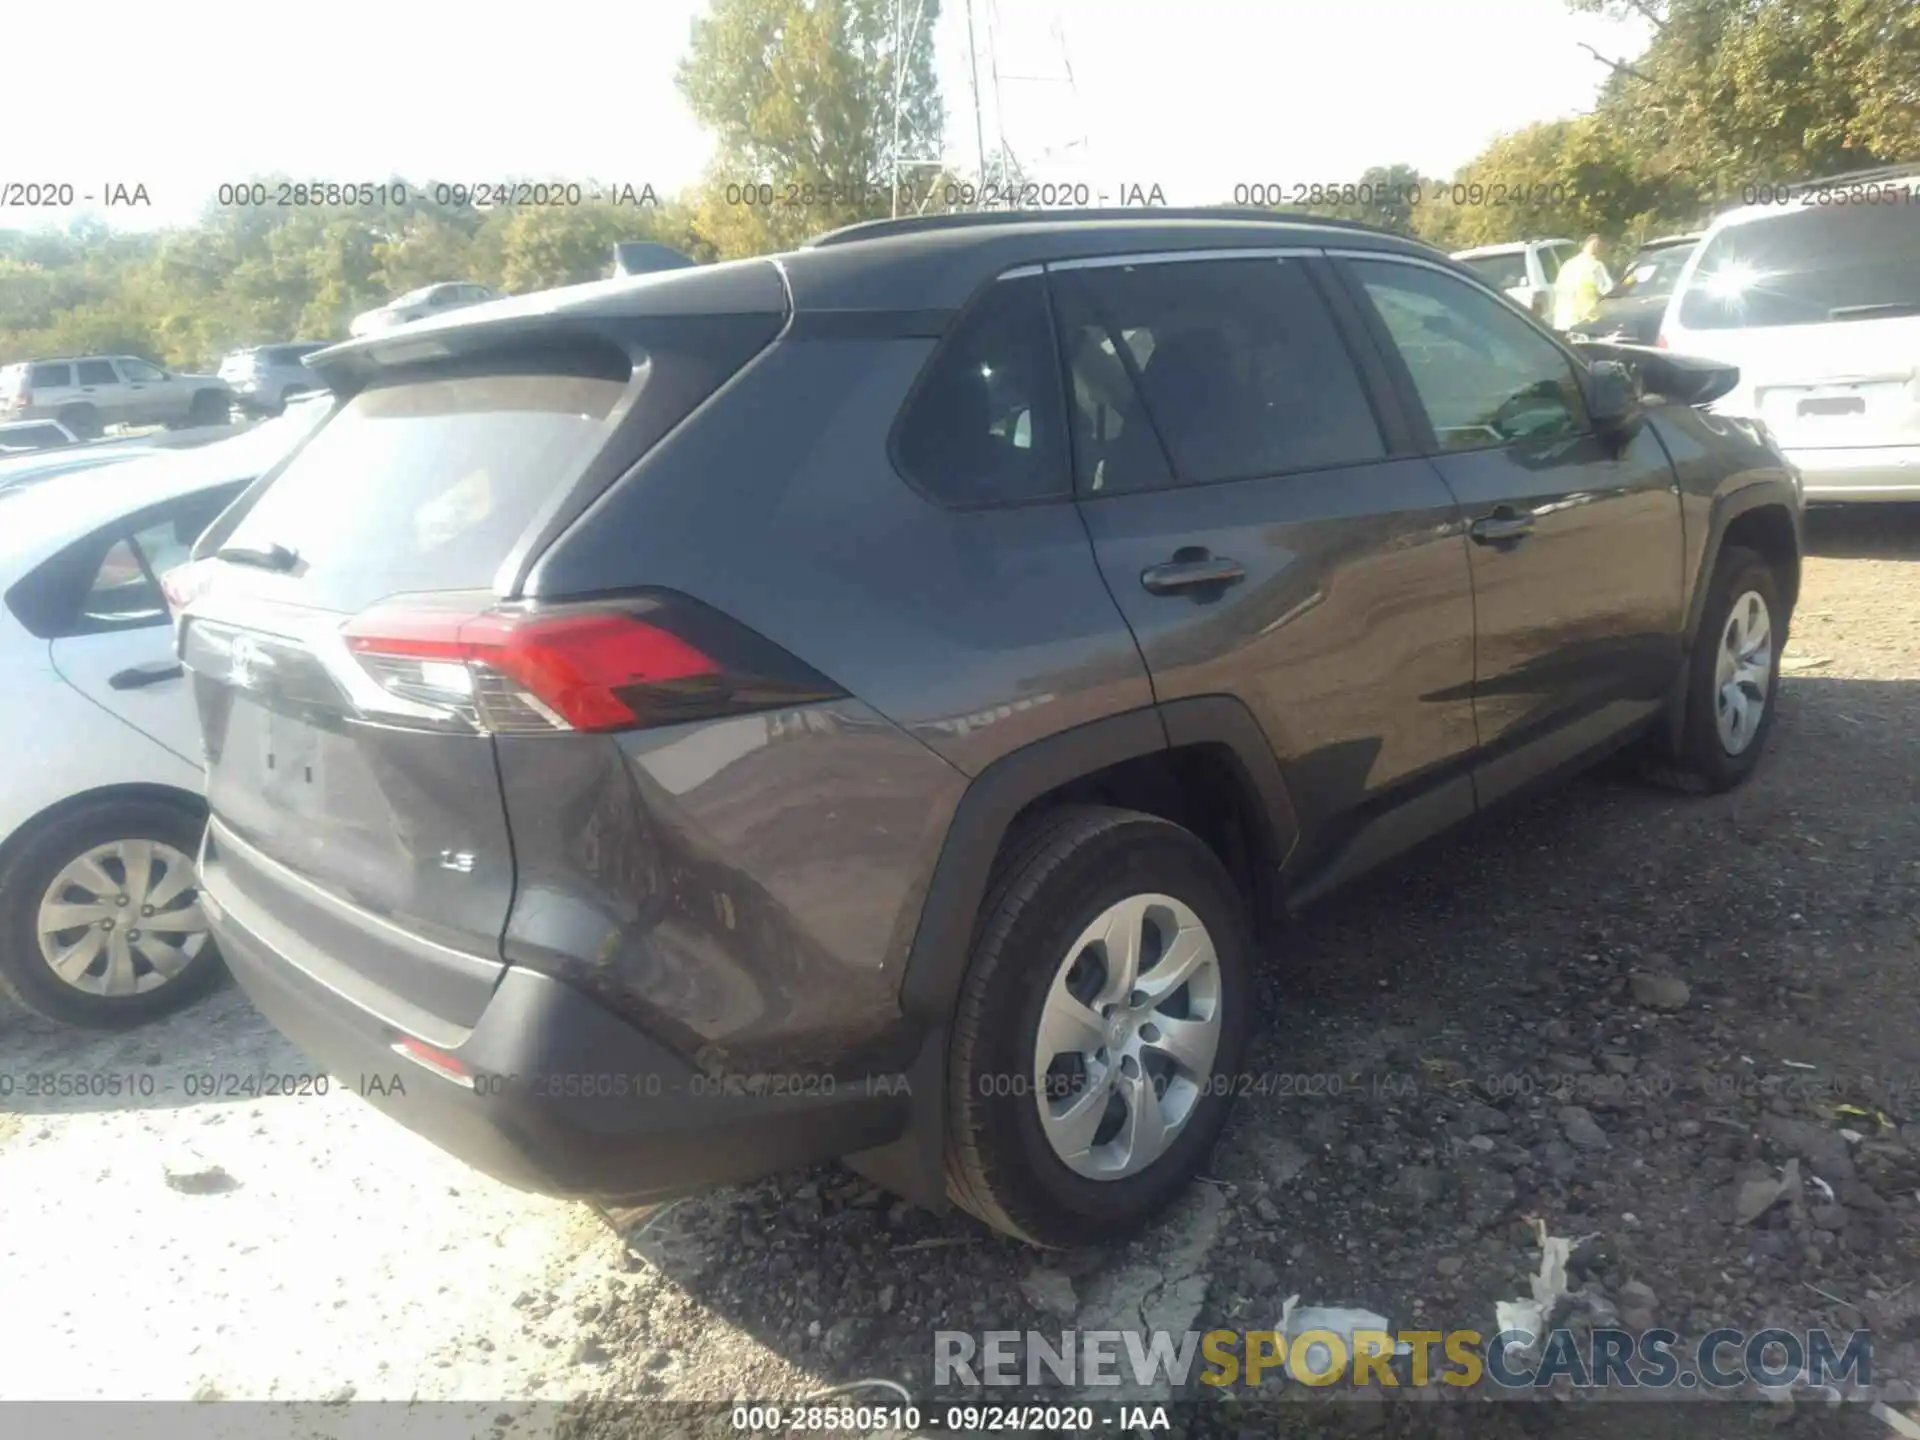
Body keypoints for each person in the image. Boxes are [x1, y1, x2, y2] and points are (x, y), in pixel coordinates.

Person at [1552, 234, 1615, 332]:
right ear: (1596, 246)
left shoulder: (1567, 265)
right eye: (1603, 249)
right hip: (1585, 326)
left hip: (1562, 323)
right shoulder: (1595, 266)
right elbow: (1609, 292)